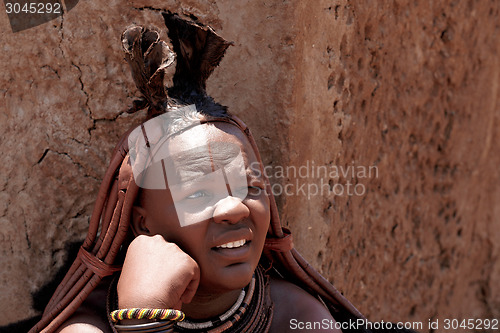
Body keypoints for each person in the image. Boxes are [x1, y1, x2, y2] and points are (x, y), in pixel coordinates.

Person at [30, 12, 415, 333]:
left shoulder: (296, 318)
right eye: (199, 193)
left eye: (251, 186)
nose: (235, 209)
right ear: (143, 225)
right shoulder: (91, 325)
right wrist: (144, 317)